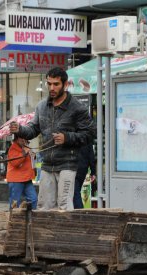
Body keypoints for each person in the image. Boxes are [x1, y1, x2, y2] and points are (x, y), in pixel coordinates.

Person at [10, 67, 95, 210]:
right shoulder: (41, 106)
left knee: (64, 205)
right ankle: (46, 233)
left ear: (65, 84)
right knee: (44, 206)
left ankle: (64, 232)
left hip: (68, 164)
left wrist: (67, 137)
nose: (52, 87)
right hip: (47, 164)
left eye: (56, 84)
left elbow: (90, 133)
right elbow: (33, 130)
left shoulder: (77, 108)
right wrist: (20, 129)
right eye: (49, 84)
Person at [6, 136, 37, 210]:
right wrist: (24, 153)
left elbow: (30, 162)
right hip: (16, 180)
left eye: (25, 138)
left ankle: (29, 218)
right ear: (17, 139)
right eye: (22, 138)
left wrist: (33, 156)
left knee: (33, 199)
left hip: (27, 178)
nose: (24, 140)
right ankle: (14, 220)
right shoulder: (13, 148)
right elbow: (15, 162)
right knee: (15, 203)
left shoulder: (26, 147)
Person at [73, 143, 96, 209]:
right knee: (76, 192)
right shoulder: (87, 138)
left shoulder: (72, 135)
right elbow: (91, 157)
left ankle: (80, 213)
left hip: (73, 168)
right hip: (83, 169)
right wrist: (93, 172)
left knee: (75, 194)